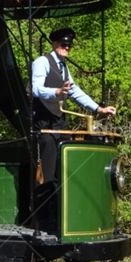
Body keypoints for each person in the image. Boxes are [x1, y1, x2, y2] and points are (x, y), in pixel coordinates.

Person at [31, 26, 116, 189]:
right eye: (64, 44)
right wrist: (56, 91)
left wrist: (98, 109)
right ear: (54, 43)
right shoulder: (42, 62)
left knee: (63, 170)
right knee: (46, 174)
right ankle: (44, 209)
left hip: (59, 125)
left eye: (70, 44)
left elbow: (74, 91)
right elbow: (35, 89)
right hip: (44, 126)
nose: (67, 47)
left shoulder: (63, 67)